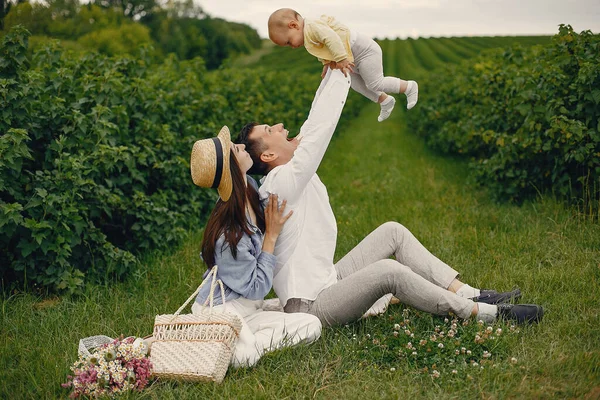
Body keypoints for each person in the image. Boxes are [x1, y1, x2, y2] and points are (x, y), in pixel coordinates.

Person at [237, 69, 544, 328]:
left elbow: (311, 123)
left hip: (328, 280)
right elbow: (320, 129)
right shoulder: (280, 183)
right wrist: (341, 73)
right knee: (388, 272)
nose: (278, 125)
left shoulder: (288, 171)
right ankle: (485, 315)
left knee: (392, 232)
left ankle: (470, 293)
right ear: (268, 154)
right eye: (269, 129)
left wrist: (332, 68)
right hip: (311, 305)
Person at [188, 125, 322, 368]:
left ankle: (235, 343)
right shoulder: (230, 234)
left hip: (250, 310)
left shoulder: (249, 187)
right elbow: (256, 287)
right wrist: (271, 235)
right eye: (234, 150)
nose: (240, 146)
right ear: (230, 169)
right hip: (221, 312)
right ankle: (216, 342)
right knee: (245, 358)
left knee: (312, 325)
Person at [268, 8, 418, 122]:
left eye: (288, 42)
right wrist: (327, 63)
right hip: (352, 57)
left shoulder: (312, 26)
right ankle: (385, 100)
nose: (292, 47)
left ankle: (409, 87)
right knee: (355, 83)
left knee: (375, 83)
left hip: (365, 52)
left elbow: (331, 38)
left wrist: (340, 58)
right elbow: (323, 50)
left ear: (293, 25)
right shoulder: (307, 38)